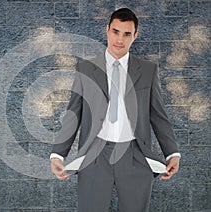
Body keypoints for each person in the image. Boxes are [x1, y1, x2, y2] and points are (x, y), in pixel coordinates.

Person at [50, 8, 181, 212]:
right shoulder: (85, 69)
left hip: (135, 155)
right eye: (116, 31)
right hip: (94, 156)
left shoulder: (148, 70)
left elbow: (158, 115)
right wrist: (58, 155)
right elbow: (73, 114)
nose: (119, 39)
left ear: (135, 36)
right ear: (107, 30)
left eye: (127, 34)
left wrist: (171, 152)